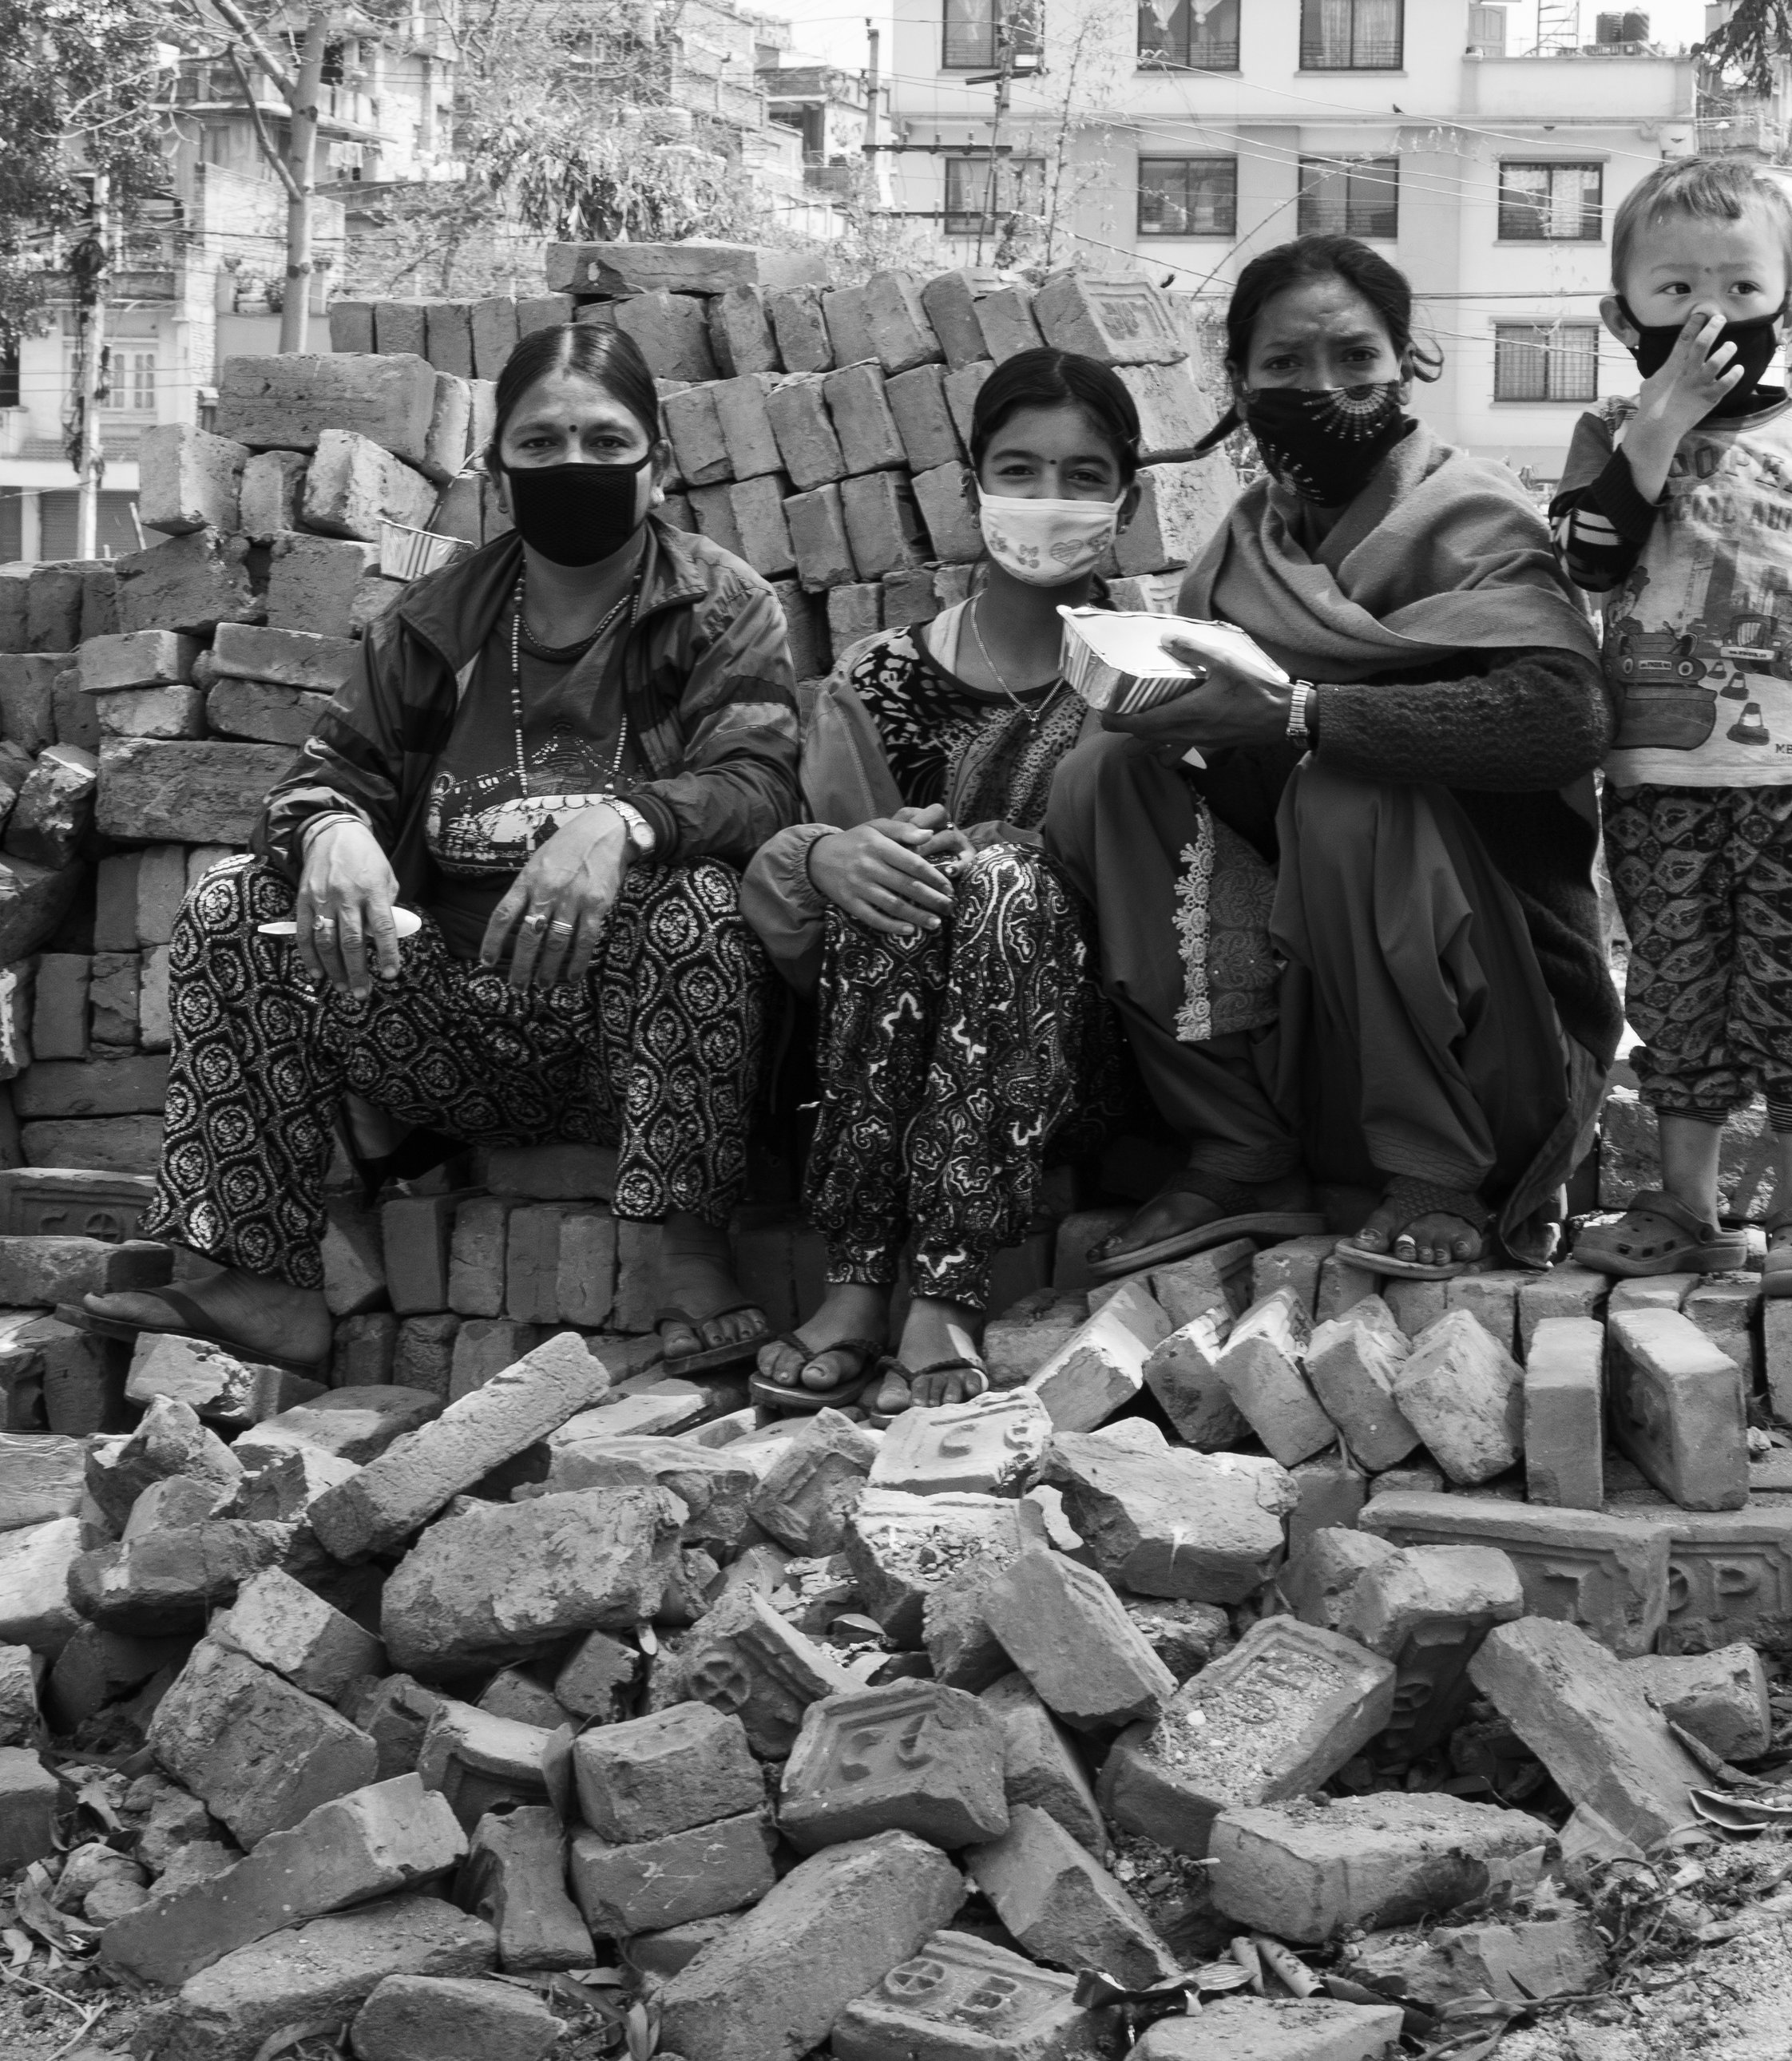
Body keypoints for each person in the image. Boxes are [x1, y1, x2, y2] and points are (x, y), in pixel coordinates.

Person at [82, 321, 800, 1377]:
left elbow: (760, 782)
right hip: (449, 1032)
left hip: (637, 1047)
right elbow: (319, 779)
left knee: (698, 901)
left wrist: (622, 819)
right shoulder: (436, 624)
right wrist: (332, 831)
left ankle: (688, 1245)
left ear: (661, 462)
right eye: (542, 442)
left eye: (607, 442)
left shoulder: (719, 607)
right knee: (233, 906)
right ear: (499, 474)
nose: (576, 467)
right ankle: (260, 1279)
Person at [1042, 234, 1620, 1279]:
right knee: (1108, 774)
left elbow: (1564, 720)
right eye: (1284, 366)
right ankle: (1240, 1144)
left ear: (1408, 364)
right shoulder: (1245, 548)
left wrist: (1307, 712)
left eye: (1356, 359)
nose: (1323, 388)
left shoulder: (1472, 521)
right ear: (1240, 383)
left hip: (1498, 1032)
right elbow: (1223, 780)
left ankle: (1438, 1173)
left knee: (1346, 787)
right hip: (1321, 1017)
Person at [741, 348, 1136, 1411]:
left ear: (1126, 499)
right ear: (970, 492)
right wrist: (838, 855)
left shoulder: (1156, 675)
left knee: (1005, 875)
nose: (1048, 501)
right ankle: (858, 1276)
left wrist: (1013, 868)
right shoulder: (879, 676)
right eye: (1019, 470)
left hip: (1085, 1061)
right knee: (894, 867)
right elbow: (786, 886)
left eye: (1084, 475)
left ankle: (944, 1293)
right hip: (889, 1046)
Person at [1552, 158, 1792, 1295]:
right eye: (1674, 293)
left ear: (1788, 308)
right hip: (1659, 772)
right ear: (1624, 316)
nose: (1708, 316)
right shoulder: (1610, 431)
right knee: (1674, 981)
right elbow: (1591, 561)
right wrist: (1660, 421)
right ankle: (1688, 1201)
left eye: (1739, 289)